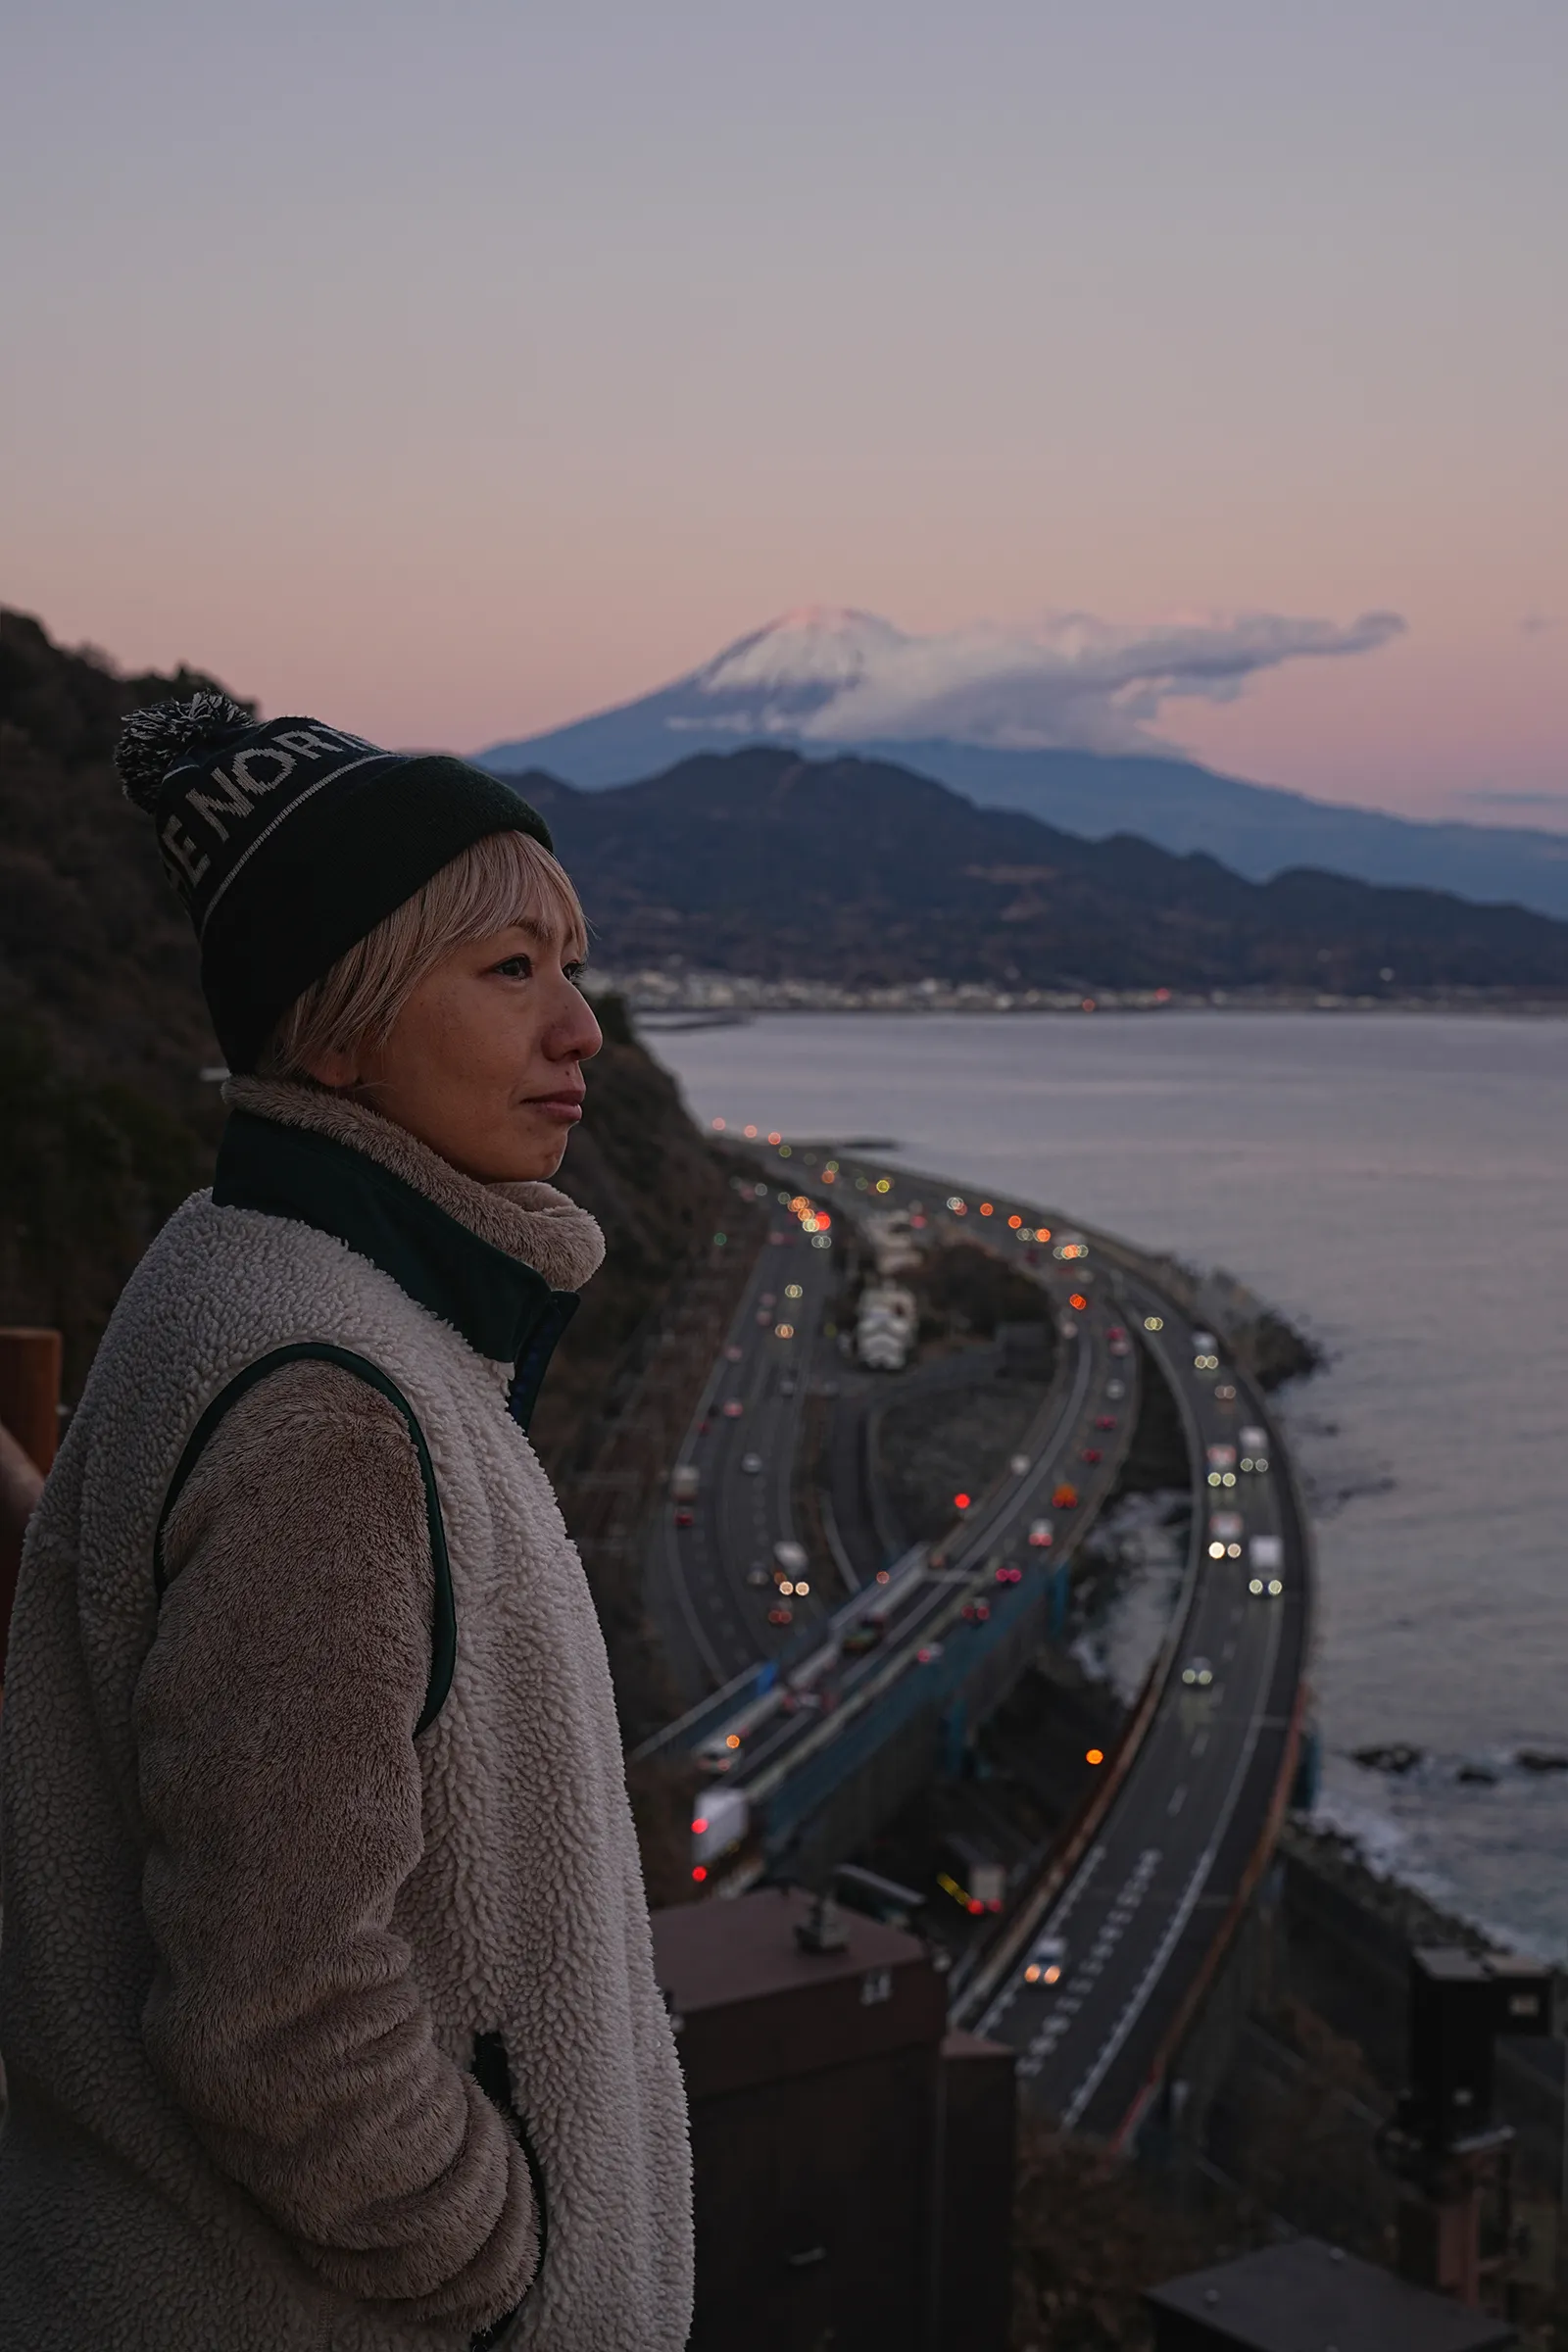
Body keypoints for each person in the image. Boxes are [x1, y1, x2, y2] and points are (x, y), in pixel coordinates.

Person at [0, 698, 693, 2350]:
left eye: (572, 966)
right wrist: (498, 2270)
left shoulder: (256, 1279)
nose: (580, 1029)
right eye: (509, 970)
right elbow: (274, 2009)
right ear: (336, 1031)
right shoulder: (331, 1406)